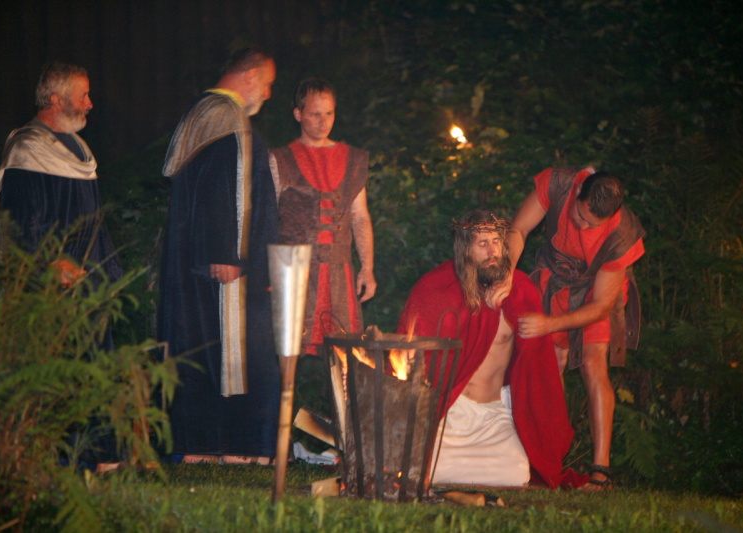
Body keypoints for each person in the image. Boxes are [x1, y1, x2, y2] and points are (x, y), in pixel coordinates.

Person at [397, 209, 587, 488]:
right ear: (465, 249)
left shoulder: (521, 291)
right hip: (450, 412)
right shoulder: (436, 289)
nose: (493, 251)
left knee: (516, 475)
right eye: (483, 243)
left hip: (494, 415)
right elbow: (408, 357)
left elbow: (537, 367)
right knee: (423, 470)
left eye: (497, 241)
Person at [0, 61, 123, 471]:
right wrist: (48, 263)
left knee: (94, 366)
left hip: (88, 281)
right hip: (49, 287)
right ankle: (57, 457)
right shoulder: (27, 149)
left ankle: (100, 454)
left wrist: (110, 272)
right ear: (55, 100)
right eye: (83, 95)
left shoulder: (80, 151)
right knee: (56, 371)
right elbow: (18, 223)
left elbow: (94, 221)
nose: (90, 103)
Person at [158, 46, 280, 464]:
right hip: (225, 263)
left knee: (206, 343)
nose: (267, 93)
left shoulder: (209, 112)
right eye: (267, 83)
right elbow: (220, 189)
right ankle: (228, 444)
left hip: (213, 261)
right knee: (224, 347)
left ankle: (209, 443)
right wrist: (227, 252)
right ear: (250, 76)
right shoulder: (223, 115)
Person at [497, 167, 645, 491]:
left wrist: (549, 324)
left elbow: (602, 306)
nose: (583, 227)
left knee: (593, 364)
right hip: (554, 281)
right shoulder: (559, 184)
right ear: (578, 193)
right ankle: (546, 460)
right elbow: (519, 228)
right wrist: (506, 273)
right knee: (550, 365)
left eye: (593, 224)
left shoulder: (621, 235)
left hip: (595, 293)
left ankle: (601, 471)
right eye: (580, 216)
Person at [269, 78, 376, 355]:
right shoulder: (280, 158)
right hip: (294, 269)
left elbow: (359, 217)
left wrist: (367, 268)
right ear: (298, 114)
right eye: (315, 114)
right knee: (288, 350)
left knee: (346, 351)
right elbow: (267, 217)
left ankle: (344, 387)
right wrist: (266, 271)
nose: (324, 121)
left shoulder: (352, 159)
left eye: (329, 113)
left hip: (339, 269)